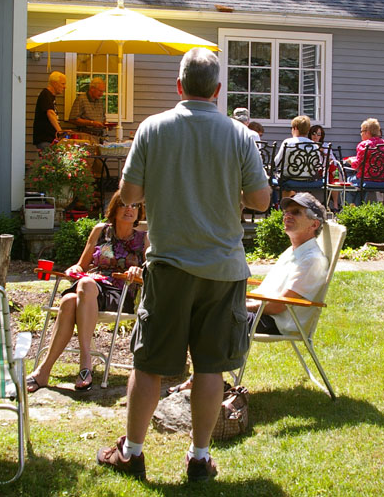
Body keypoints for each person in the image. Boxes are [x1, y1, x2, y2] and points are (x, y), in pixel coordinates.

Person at [96, 48, 270, 482]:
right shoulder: (239, 135)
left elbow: (130, 195)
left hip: (170, 266)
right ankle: (199, 458)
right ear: (217, 90)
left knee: (149, 363)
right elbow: (261, 201)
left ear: (179, 86)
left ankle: (132, 453)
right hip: (222, 268)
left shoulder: (153, 128)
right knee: (211, 366)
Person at [166, 193, 329, 395]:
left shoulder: (311, 259)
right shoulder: (294, 251)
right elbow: (270, 294)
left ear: (314, 224)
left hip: (277, 320)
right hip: (265, 311)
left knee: (210, 317)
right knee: (204, 308)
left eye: (296, 212)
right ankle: (203, 377)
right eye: (286, 211)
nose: (287, 215)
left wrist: (238, 305)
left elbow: (278, 305)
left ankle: (201, 380)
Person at [26, 190, 148, 393]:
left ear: (139, 212)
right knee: (71, 297)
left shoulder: (143, 240)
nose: (129, 209)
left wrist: (138, 271)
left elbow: (149, 275)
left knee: (80, 291)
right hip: (89, 288)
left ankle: (80, 362)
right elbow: (82, 265)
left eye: (134, 206)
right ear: (114, 208)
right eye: (125, 204)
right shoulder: (100, 231)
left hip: (119, 292)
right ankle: (48, 370)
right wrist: (75, 269)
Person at [33, 71, 66, 150]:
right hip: (45, 139)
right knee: (50, 162)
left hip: (50, 139)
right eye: (63, 84)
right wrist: (60, 131)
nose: (65, 87)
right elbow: (50, 113)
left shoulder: (51, 96)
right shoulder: (46, 94)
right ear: (54, 83)